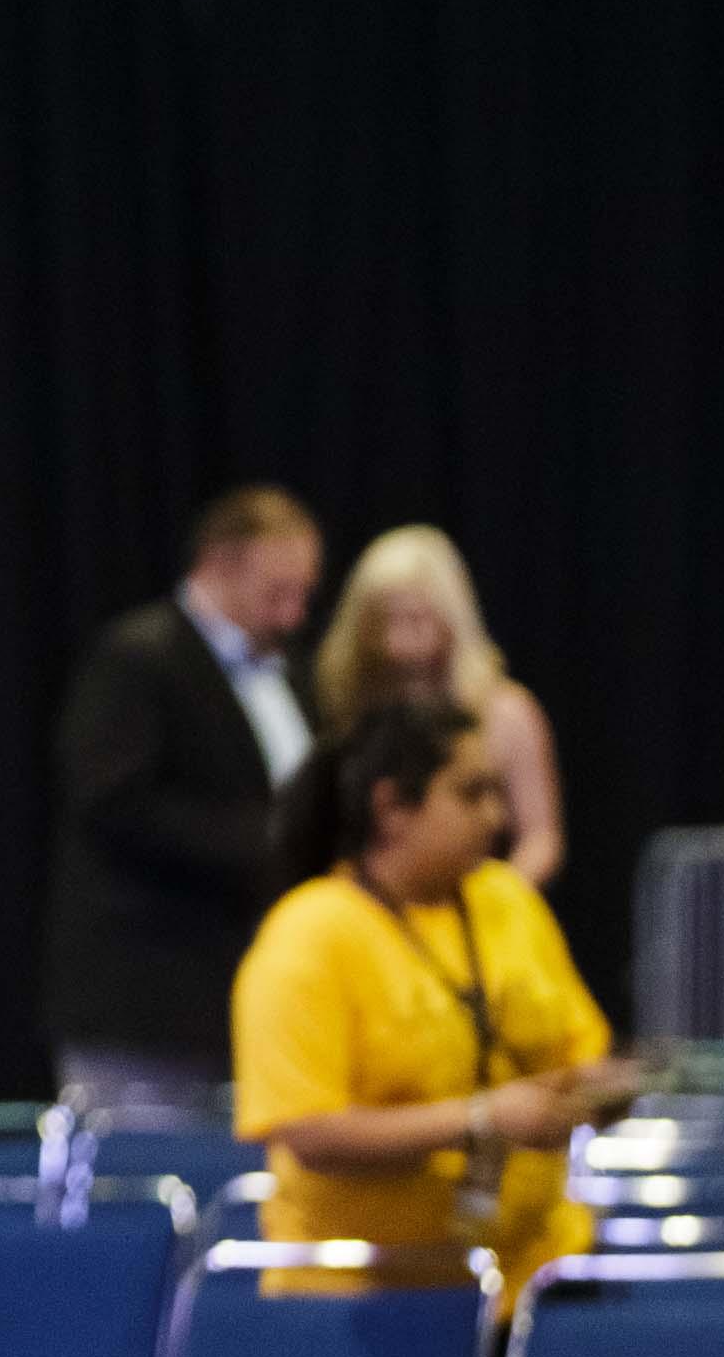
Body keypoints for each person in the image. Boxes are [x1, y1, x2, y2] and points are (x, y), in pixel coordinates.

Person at [230, 699, 646, 1290]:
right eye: (471, 794)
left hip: (532, 1274)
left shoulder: (507, 900)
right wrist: (482, 1119)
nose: (497, 817)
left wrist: (596, 1090)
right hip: (362, 1296)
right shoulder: (309, 934)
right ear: (392, 806)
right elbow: (308, 1132)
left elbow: (582, 1051)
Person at [43, 486, 324, 1111]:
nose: (293, 616)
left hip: (253, 1001)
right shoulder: (137, 657)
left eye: (303, 595)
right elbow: (114, 804)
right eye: (277, 592)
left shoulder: (293, 674)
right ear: (219, 564)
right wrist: (275, 845)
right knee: (137, 1190)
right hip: (146, 1003)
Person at [309, 524, 566, 888]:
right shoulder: (352, 709)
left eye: (415, 618)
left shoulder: (505, 712)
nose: (399, 640)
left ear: (451, 615)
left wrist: (496, 902)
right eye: (387, 620)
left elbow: (541, 838)